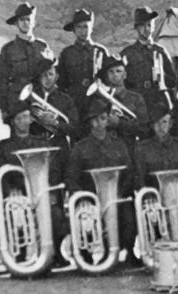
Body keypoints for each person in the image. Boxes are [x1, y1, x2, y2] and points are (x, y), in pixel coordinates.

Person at [0, 101, 69, 268]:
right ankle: (20, 255)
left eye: (28, 117)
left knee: (56, 214)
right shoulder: (4, 146)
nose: (26, 121)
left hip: (42, 193)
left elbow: (54, 170)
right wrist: (11, 193)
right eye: (21, 118)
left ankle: (54, 252)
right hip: (18, 195)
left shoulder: (41, 143)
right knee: (16, 212)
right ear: (14, 122)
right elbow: (0, 174)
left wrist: (50, 191)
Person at [66, 99, 137, 266]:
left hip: (116, 197)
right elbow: (71, 176)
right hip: (91, 199)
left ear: (108, 120)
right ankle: (85, 256)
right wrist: (81, 198)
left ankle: (126, 251)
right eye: (95, 119)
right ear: (90, 122)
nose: (99, 123)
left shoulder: (119, 144)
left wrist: (122, 192)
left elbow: (129, 172)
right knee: (84, 216)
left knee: (129, 218)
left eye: (103, 118)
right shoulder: (80, 147)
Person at [134, 103, 178, 241]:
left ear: (170, 124)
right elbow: (139, 177)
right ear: (152, 125)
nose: (160, 126)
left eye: (164, 122)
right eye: (156, 123)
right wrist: (148, 197)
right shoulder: (142, 148)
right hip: (155, 198)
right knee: (151, 217)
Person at [0, 2, 55, 122]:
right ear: (16, 23)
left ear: (33, 22)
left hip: (39, 102)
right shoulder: (8, 49)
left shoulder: (42, 46)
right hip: (17, 102)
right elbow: (2, 81)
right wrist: (4, 109)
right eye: (22, 20)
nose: (25, 23)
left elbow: (51, 75)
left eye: (29, 19)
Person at [56, 9, 109, 116]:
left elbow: (108, 80)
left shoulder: (100, 51)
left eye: (85, 27)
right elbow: (61, 82)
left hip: (96, 103)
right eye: (78, 27)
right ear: (74, 30)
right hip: (73, 103)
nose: (82, 31)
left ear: (91, 28)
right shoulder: (67, 53)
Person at [120, 6, 176, 105]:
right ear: (137, 28)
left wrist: (161, 77)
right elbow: (122, 82)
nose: (147, 29)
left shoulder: (160, 51)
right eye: (143, 26)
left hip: (159, 102)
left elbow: (173, 80)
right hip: (138, 103)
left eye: (150, 25)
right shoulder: (127, 53)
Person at [95, 55, 150, 150]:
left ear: (125, 75)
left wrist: (119, 123)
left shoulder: (136, 98)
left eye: (118, 71)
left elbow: (144, 128)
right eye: (111, 71)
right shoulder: (101, 99)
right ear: (107, 75)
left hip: (129, 148)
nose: (115, 75)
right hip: (105, 148)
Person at [28, 58, 81, 145]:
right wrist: (31, 115)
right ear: (39, 77)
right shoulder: (31, 97)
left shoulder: (66, 100)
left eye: (51, 74)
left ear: (56, 77)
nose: (48, 78)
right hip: (34, 142)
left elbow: (75, 129)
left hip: (58, 145)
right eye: (44, 75)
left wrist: (54, 123)